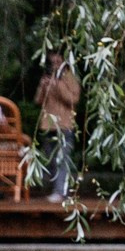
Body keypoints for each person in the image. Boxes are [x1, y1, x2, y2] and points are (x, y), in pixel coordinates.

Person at [37, 50, 80, 199]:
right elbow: (38, 101)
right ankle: (59, 189)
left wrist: (58, 85)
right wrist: (44, 86)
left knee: (62, 159)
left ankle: (60, 192)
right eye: (52, 63)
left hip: (64, 125)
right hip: (47, 125)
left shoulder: (70, 78)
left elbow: (72, 101)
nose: (55, 66)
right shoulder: (46, 78)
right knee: (51, 160)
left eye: (57, 63)